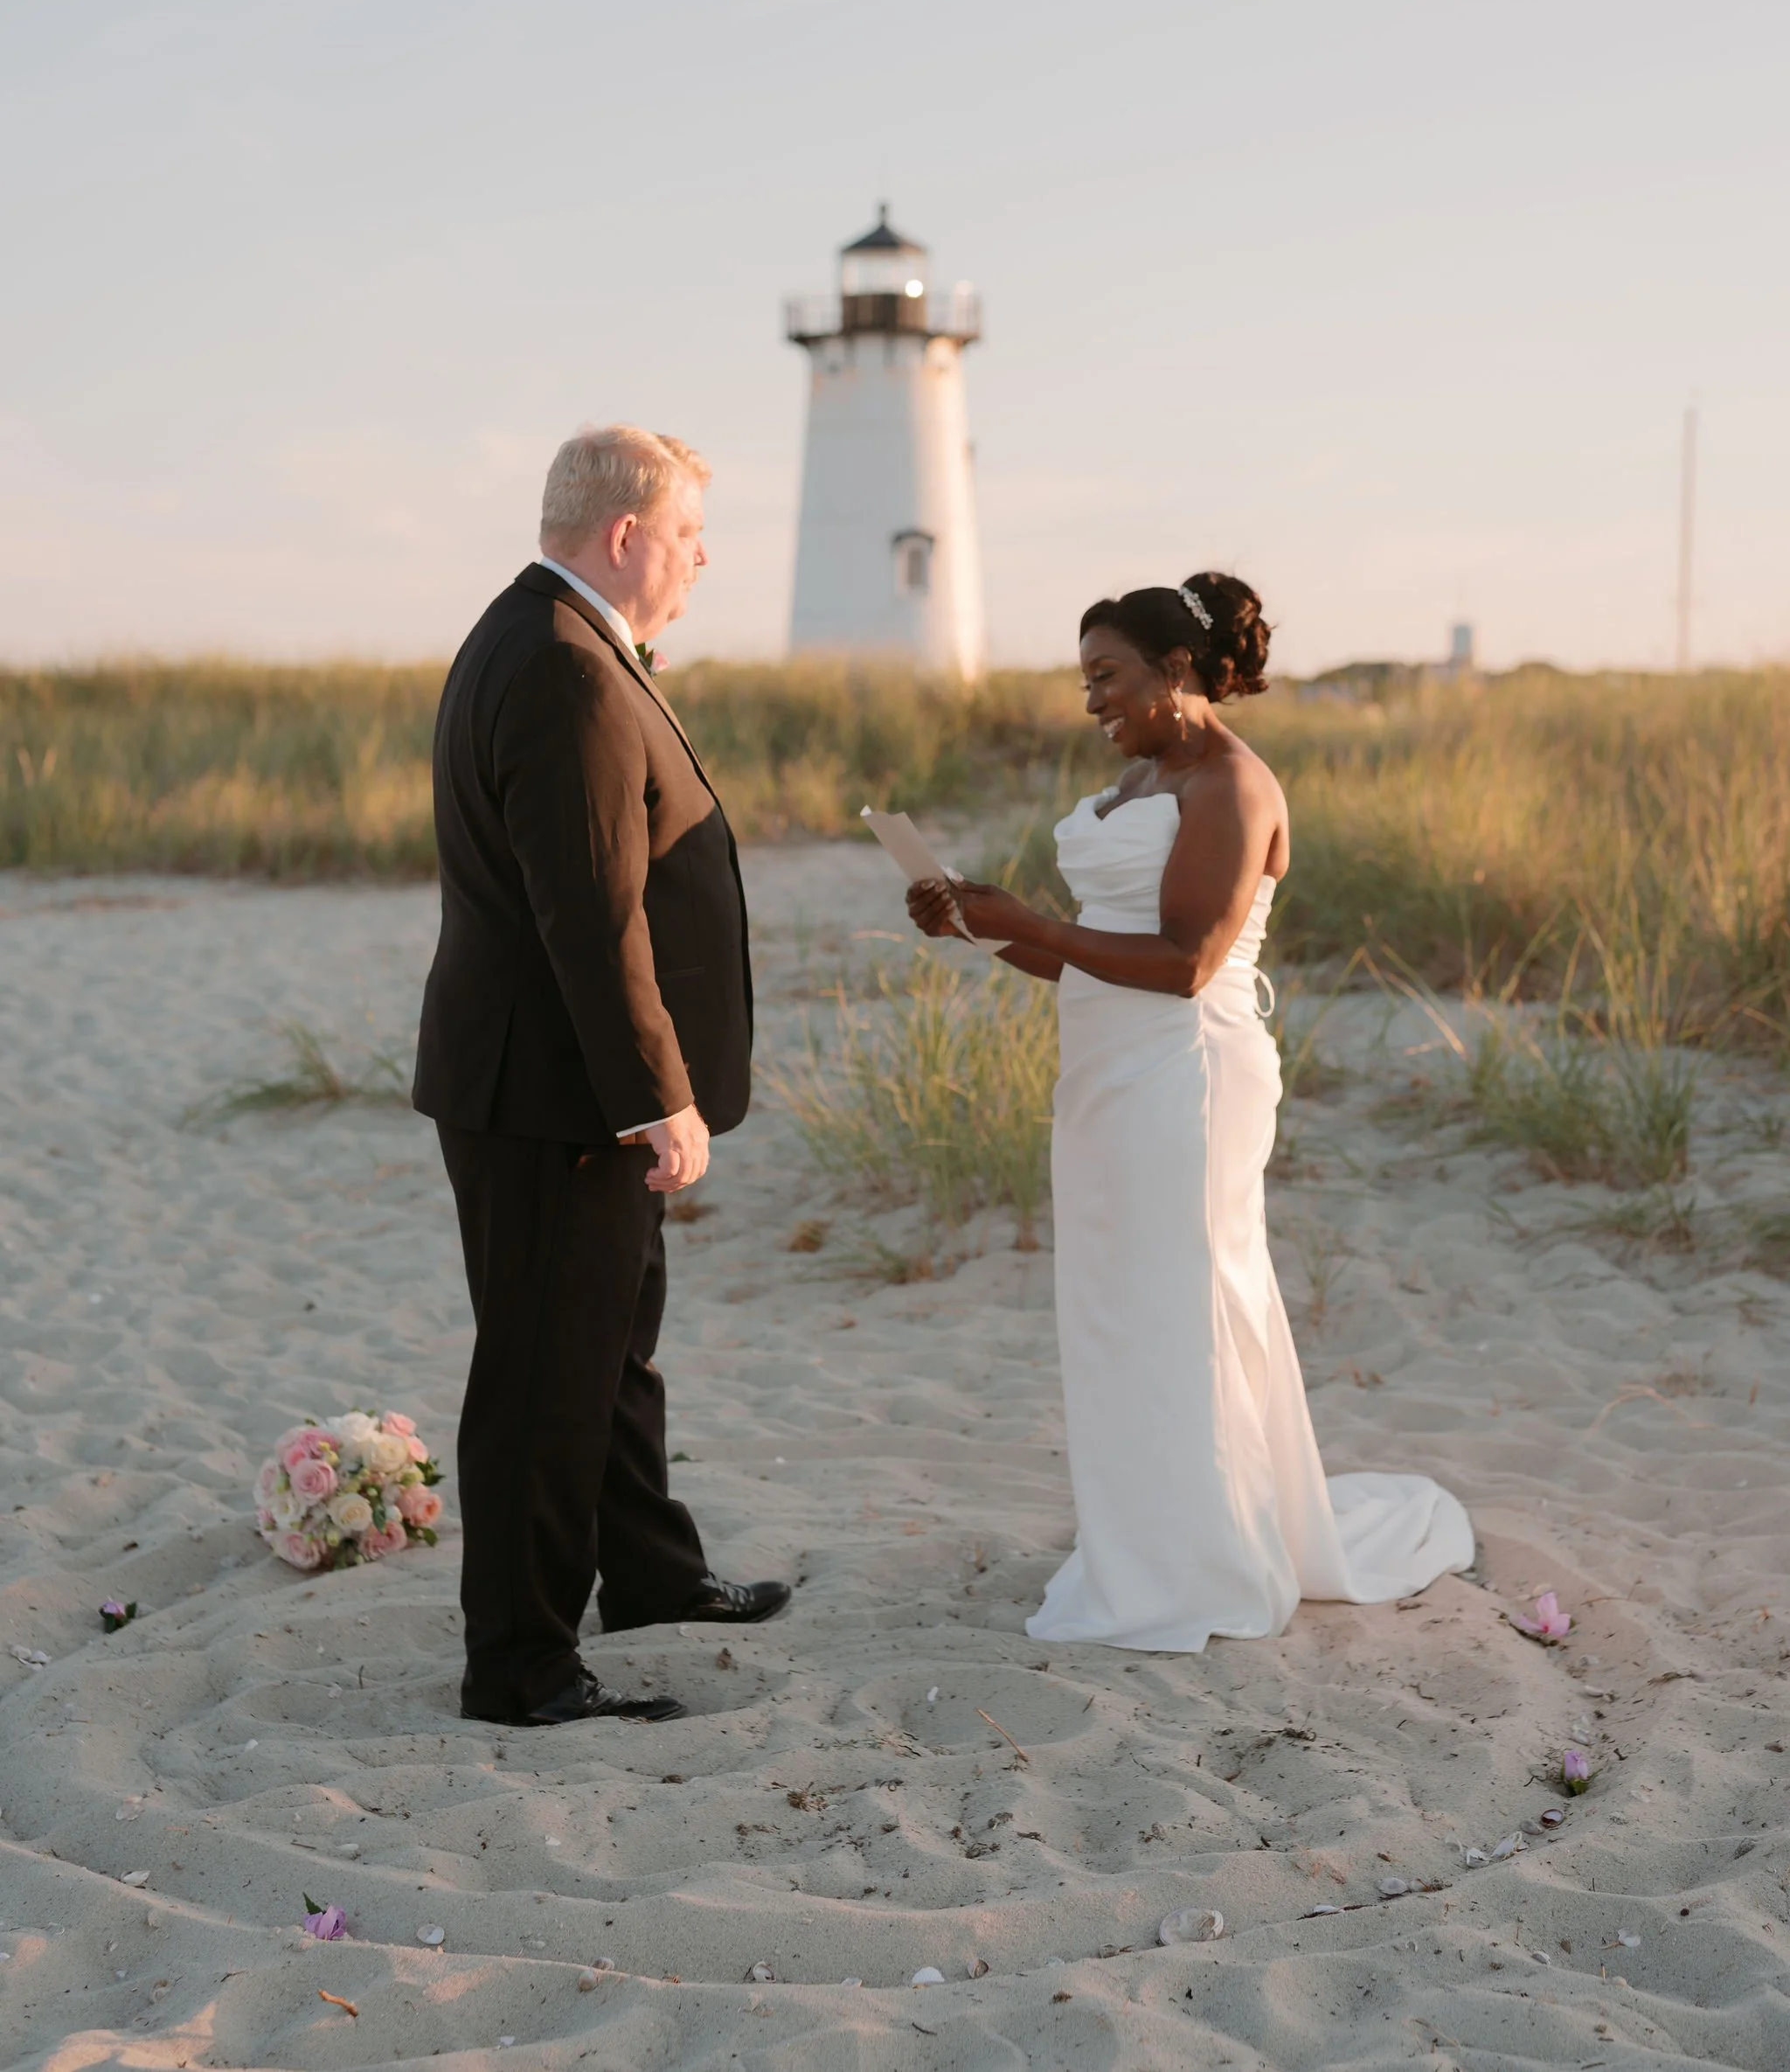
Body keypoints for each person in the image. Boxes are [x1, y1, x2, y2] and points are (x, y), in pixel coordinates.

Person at [906, 574, 1472, 1651]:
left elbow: (1179, 963)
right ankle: (1152, 1538)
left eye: (1105, 677)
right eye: (1084, 680)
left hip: (1188, 1074)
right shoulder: (1140, 778)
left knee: (1185, 1300)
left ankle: (1202, 1558)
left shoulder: (1231, 784)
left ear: (1175, 671)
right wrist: (974, 927)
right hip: (1108, 1071)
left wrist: (1029, 917)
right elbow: (1086, 954)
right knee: (1120, 1302)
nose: (1090, 702)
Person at [414, 425, 788, 1728]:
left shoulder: (556, 642)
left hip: (549, 1082)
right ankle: (519, 1662)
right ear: (625, 536)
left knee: (612, 1349)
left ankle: (649, 1572)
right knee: (542, 1375)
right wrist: (654, 1095)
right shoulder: (566, 668)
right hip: (559, 1097)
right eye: (688, 535)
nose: (701, 558)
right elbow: (590, 910)